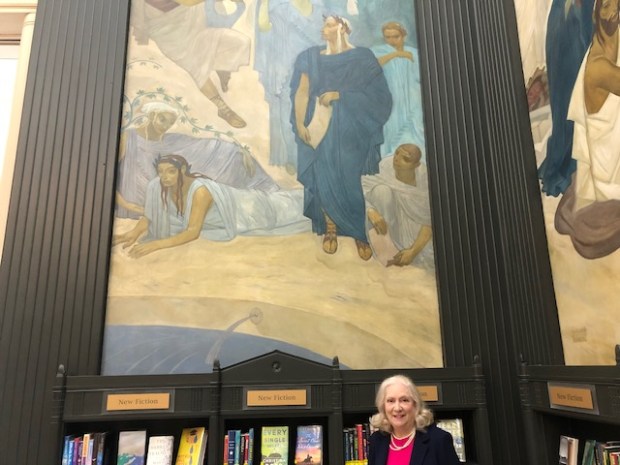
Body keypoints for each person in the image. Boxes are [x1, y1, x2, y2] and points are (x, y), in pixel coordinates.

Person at [290, 14, 392, 260]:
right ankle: (331, 230)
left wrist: (341, 95)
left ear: (343, 28)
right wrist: (301, 122)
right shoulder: (310, 57)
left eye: (328, 25)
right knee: (322, 175)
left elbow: (381, 98)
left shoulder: (363, 57)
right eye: (324, 25)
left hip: (351, 127)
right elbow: (302, 92)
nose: (323, 29)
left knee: (348, 179)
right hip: (318, 126)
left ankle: (358, 233)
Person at [113, 155, 310, 257]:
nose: (164, 176)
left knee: (291, 208)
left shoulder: (200, 191)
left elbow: (192, 232)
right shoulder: (157, 186)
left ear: (182, 170)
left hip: (247, 209)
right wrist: (133, 233)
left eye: (171, 171)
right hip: (238, 211)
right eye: (161, 171)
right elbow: (151, 214)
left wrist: (155, 245)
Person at [116, 102, 279, 219]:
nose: (165, 126)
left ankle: (267, 196)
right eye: (162, 120)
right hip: (134, 205)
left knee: (232, 159)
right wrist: (128, 206)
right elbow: (105, 178)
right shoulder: (127, 138)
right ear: (152, 116)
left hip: (160, 201)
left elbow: (206, 145)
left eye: (170, 123)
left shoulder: (170, 139)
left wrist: (239, 149)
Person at [556, 0, 620, 258]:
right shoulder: (598, 67)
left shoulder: (610, 42)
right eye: (606, 5)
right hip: (609, 163)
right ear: (598, 13)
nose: (612, 10)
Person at [130, 0, 250, 128]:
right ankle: (223, 108)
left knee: (241, 42)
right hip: (167, 32)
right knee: (197, 67)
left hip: (192, 17)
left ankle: (221, 67)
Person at [362, 144, 434, 269]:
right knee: (381, 191)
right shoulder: (383, 168)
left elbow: (429, 221)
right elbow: (359, 192)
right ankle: (384, 249)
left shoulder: (425, 180)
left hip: (414, 234)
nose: (396, 159)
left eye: (405, 159)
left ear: (415, 165)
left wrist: (412, 251)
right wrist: (370, 211)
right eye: (397, 153)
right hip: (388, 226)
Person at [368, 375, 460, 465]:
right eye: (391, 401)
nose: (397, 408)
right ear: (383, 406)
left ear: (415, 405)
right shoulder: (377, 440)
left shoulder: (439, 440)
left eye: (404, 400)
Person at [372, 22, 426, 160]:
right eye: (387, 37)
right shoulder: (379, 51)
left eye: (395, 36)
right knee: (390, 132)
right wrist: (397, 54)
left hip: (412, 100)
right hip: (390, 100)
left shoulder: (414, 53)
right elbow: (371, 66)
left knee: (416, 131)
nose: (391, 40)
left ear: (404, 36)